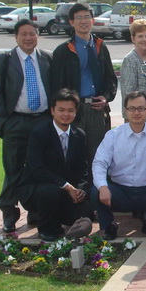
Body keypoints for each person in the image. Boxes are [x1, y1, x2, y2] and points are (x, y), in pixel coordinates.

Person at [0, 19, 52, 232]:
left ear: (38, 36)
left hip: (43, 121)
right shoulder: (3, 61)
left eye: (32, 33)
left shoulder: (47, 58)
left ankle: (36, 210)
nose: (28, 38)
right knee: (13, 170)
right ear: (16, 37)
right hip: (16, 122)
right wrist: (4, 124)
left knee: (40, 169)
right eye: (23, 34)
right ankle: (9, 213)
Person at [92, 91, 146, 240]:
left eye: (141, 108)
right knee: (96, 191)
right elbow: (99, 163)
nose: (136, 113)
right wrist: (103, 186)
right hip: (119, 191)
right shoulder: (113, 135)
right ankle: (109, 226)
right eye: (132, 108)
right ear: (125, 110)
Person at [17, 89, 94, 241]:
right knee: (51, 192)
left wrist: (80, 190)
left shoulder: (79, 135)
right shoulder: (40, 133)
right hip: (38, 188)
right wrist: (67, 186)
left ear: (76, 112)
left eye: (70, 110)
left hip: (66, 190)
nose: (66, 114)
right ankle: (46, 229)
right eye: (61, 110)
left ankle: (59, 218)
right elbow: (38, 170)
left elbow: (82, 168)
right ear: (52, 111)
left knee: (86, 212)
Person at [51, 3, 117, 167]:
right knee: (74, 155)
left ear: (92, 20)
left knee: (98, 156)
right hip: (75, 110)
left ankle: (96, 184)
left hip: (97, 109)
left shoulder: (100, 47)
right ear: (71, 22)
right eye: (79, 18)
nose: (83, 21)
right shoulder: (63, 50)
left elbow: (111, 79)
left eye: (87, 17)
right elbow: (56, 85)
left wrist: (106, 98)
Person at [120, 19, 146, 123]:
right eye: (140, 36)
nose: (144, 39)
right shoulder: (130, 60)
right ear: (133, 39)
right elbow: (128, 93)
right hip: (137, 115)